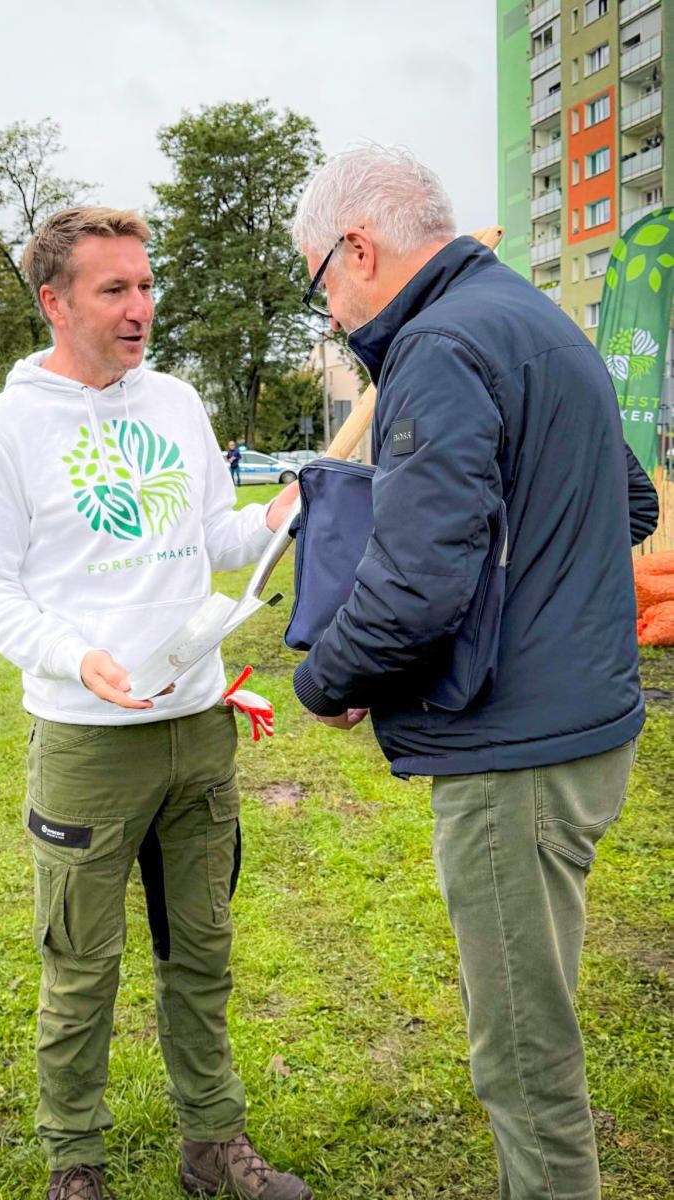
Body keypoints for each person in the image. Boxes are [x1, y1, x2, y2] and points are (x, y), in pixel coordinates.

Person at [289, 146, 657, 1200]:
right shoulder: (536, 319)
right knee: (537, 1002)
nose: (332, 314)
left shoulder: (440, 343)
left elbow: (415, 585)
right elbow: (628, 503)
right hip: (585, 730)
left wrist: (326, 680)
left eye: (322, 285)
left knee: (523, 1059)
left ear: (359, 249)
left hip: (515, 756)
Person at [0, 207, 309, 1200]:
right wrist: (75, 657)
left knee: (202, 952)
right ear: (55, 301)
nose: (140, 307)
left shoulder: (178, 403)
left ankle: (213, 1144)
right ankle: (75, 1162)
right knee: (81, 969)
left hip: (198, 727)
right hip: (88, 746)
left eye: (146, 286)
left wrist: (275, 518)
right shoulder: (6, 430)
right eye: (115, 289)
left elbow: (212, 538)